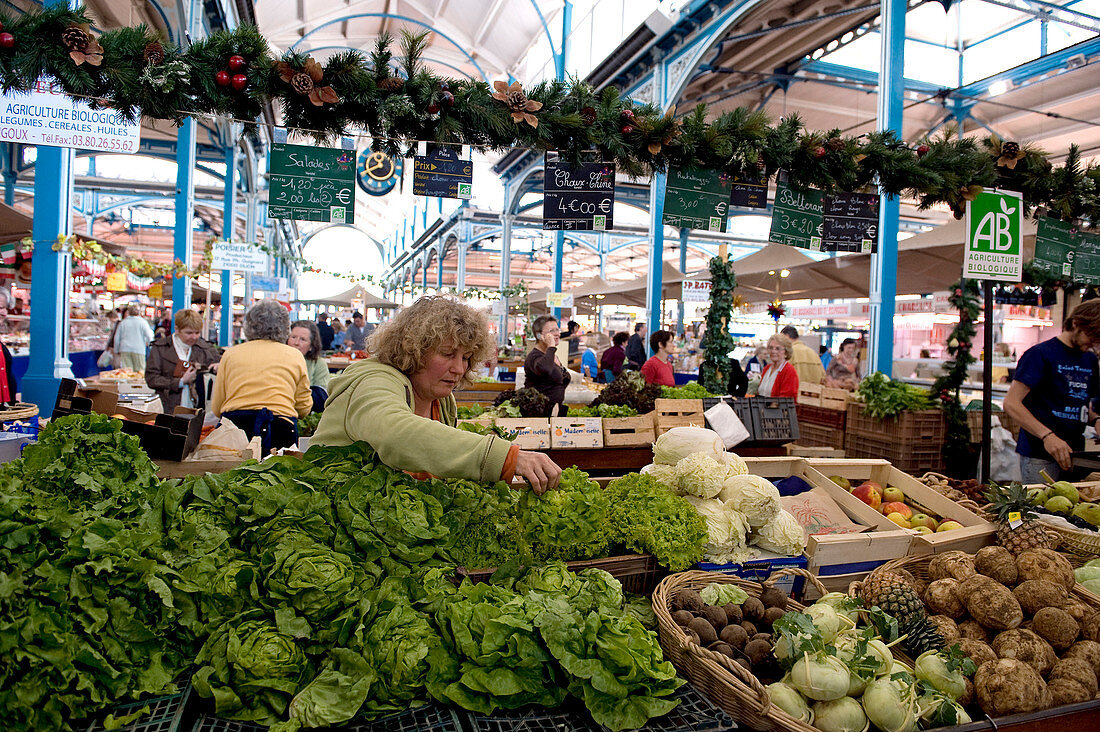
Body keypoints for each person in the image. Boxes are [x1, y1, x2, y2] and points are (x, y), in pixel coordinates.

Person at [311, 296, 561, 493]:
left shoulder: (441, 400)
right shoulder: (374, 381)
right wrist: (504, 458)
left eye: (465, 357)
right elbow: (396, 434)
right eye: (447, 354)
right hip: (326, 517)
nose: (459, 368)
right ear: (413, 349)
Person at [1004, 299, 1100, 482]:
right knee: (1037, 509)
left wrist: (1096, 419)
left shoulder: (1089, 359)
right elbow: (1011, 403)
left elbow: (1082, 404)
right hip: (1040, 455)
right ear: (1076, 323)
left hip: (1075, 454)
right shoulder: (1040, 354)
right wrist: (1047, 436)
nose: (1093, 344)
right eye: (1092, 336)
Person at [211, 300, 312, 453]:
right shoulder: (295, 356)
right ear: (285, 327)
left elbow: (217, 407)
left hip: (235, 430)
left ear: (249, 325)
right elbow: (304, 408)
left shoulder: (230, 354)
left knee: (231, 476)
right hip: (282, 429)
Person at [145, 309, 221, 413]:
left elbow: (221, 365)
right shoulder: (160, 348)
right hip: (168, 408)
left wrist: (219, 366)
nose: (194, 337)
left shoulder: (206, 348)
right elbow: (151, 378)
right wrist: (180, 382)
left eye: (197, 333)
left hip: (198, 409)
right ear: (177, 329)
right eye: (189, 333)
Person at [525, 315, 571, 417]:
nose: (557, 334)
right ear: (539, 336)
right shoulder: (533, 357)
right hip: (539, 416)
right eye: (551, 331)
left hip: (554, 412)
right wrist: (551, 346)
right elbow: (545, 368)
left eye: (557, 330)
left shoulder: (553, 356)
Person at [289, 320, 330, 412]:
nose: (296, 343)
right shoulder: (279, 360)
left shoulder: (318, 363)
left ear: (311, 346)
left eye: (302, 339)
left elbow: (321, 397)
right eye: (293, 337)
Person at [113, 304, 154, 371]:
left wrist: (116, 350)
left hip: (125, 349)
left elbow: (117, 338)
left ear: (128, 312)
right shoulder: (143, 322)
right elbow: (149, 336)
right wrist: (151, 348)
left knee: (127, 372)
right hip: (139, 350)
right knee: (140, 372)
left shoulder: (123, 323)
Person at [759, 334, 799, 398]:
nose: (773, 351)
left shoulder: (789, 371)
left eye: (778, 348)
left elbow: (786, 399)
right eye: (771, 348)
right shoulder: (767, 368)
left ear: (786, 352)